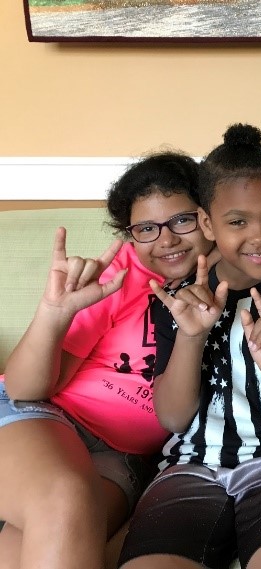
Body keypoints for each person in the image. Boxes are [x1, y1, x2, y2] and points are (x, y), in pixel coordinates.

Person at [117, 124, 261, 569]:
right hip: (188, 469)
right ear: (207, 223)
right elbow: (173, 418)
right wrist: (192, 336)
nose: (259, 236)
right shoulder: (176, 302)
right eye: (237, 222)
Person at [0, 151, 213, 569]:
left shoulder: (233, 274)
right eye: (147, 229)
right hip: (43, 417)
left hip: (121, 458)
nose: (166, 240)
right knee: (65, 500)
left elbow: (260, 242)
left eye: (182, 221)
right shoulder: (121, 276)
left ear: (208, 218)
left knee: (43, 540)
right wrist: (54, 313)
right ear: (130, 235)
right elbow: (26, 391)